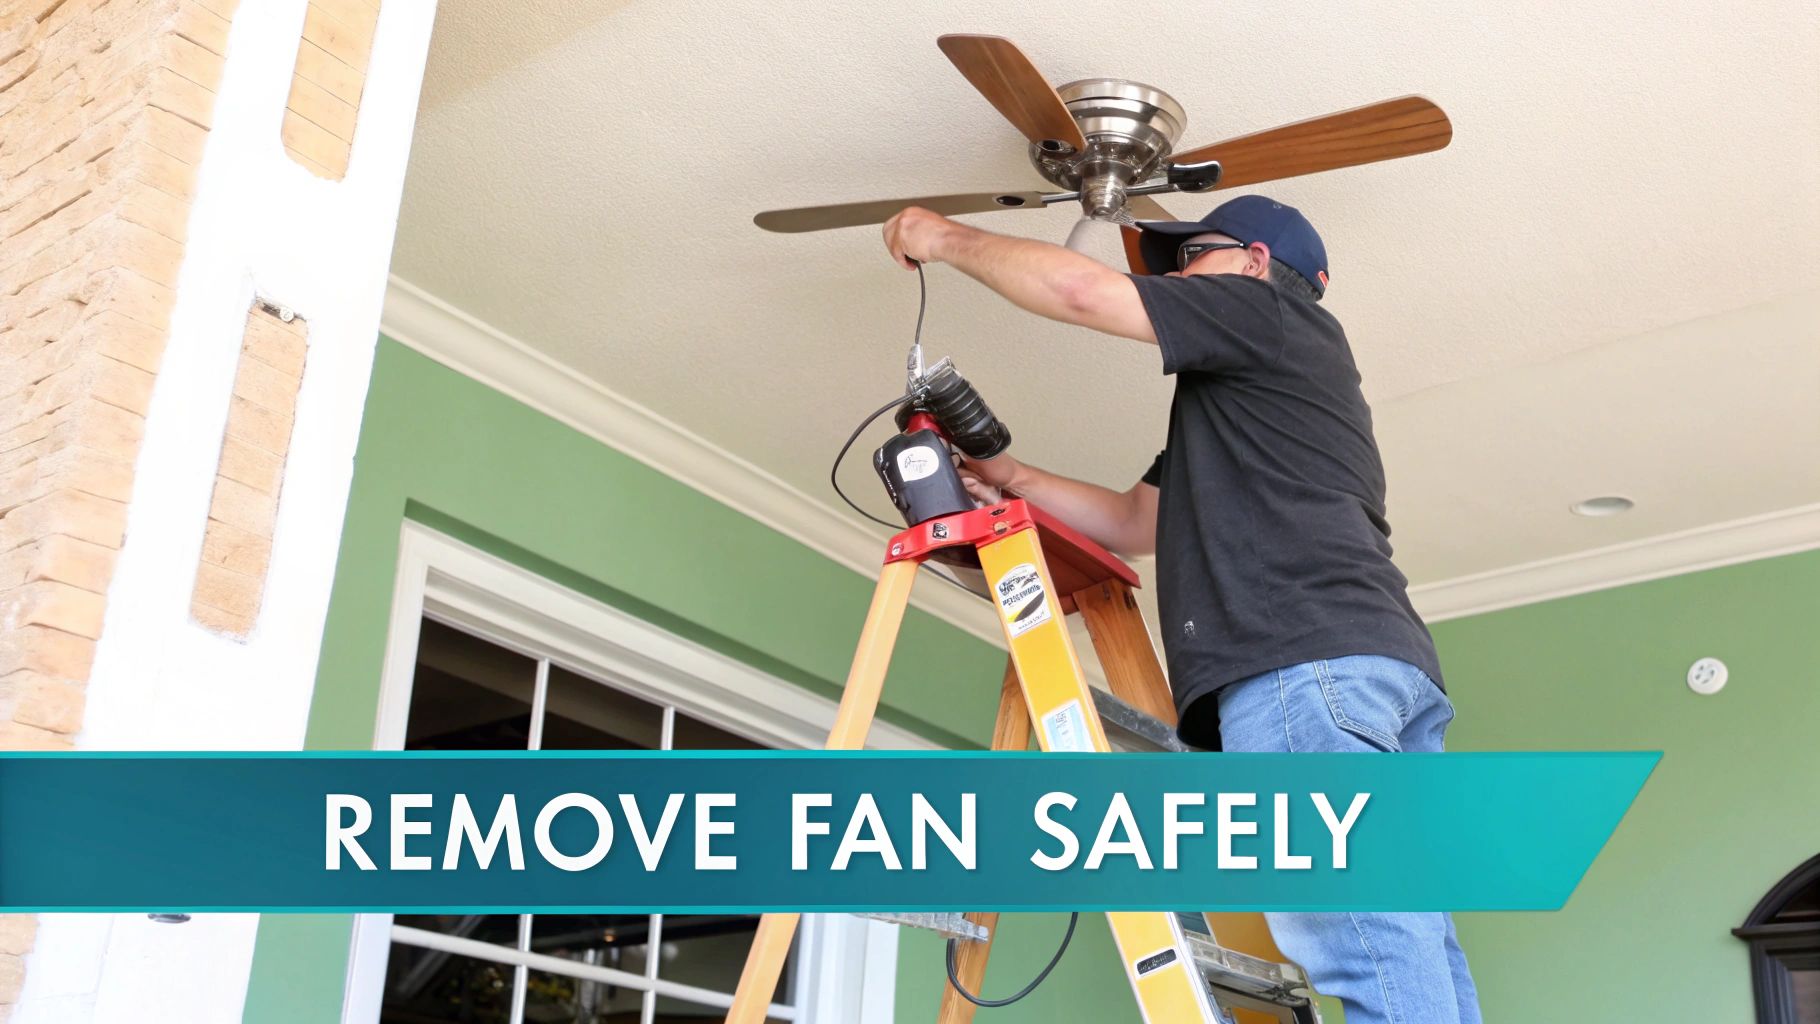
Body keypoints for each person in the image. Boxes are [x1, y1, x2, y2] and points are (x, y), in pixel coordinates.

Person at [881, 195, 1483, 1024]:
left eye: (1194, 254)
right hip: (1371, 666)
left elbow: (1085, 292)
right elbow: (1137, 521)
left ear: (1255, 263)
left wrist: (942, 235)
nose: (1177, 277)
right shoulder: (1261, 400)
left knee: (1362, 932)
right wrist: (1013, 478)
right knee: (1406, 927)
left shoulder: (1269, 314)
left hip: (1302, 663)